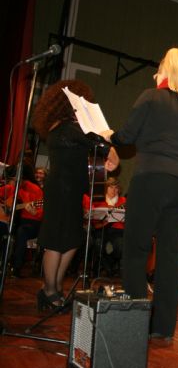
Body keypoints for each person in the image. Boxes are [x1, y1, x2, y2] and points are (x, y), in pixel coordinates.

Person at [100, 48, 178, 340]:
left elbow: (126, 137)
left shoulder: (151, 96)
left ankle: (134, 322)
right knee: (170, 254)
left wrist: (109, 135)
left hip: (152, 178)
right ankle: (163, 327)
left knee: (136, 249)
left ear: (166, 69)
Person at [32, 79, 119, 310]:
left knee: (71, 240)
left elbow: (93, 146)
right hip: (60, 190)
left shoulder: (71, 127)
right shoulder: (64, 127)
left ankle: (54, 288)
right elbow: (97, 143)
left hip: (71, 191)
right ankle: (49, 291)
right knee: (56, 241)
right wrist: (111, 147)